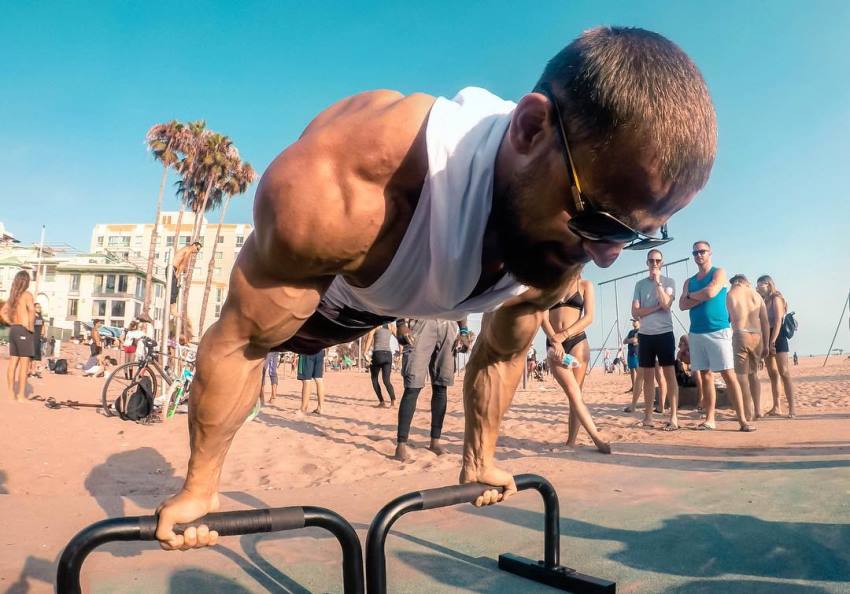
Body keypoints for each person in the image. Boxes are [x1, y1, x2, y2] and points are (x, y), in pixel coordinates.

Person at [154, 27, 718, 549]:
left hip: (415, 288)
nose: (606, 255)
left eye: (637, 236)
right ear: (529, 129)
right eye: (600, 221)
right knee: (267, 330)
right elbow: (239, 342)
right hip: (332, 299)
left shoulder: (564, 236)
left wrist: (479, 459)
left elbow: (502, 349)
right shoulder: (344, 184)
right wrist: (200, 487)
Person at [680, 242, 753, 431]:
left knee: (728, 374)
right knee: (705, 376)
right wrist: (698, 296)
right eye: (695, 252)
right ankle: (709, 419)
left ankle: (742, 420)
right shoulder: (689, 281)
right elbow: (681, 304)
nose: (699, 255)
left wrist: (691, 297)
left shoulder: (718, 272)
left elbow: (711, 291)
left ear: (709, 252)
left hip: (718, 330)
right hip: (696, 332)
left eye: (702, 251)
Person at [542, 276, 610, 453]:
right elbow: (542, 317)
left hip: (577, 340)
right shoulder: (549, 284)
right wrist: (555, 340)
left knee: (576, 394)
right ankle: (597, 438)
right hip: (554, 344)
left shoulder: (586, 285)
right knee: (572, 392)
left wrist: (564, 335)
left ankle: (571, 443)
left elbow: (589, 317)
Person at [394, 318, 466, 461]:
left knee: (441, 386)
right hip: (421, 321)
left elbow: (460, 297)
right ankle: (401, 444)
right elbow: (399, 295)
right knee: (412, 386)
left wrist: (463, 331)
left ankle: (435, 442)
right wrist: (400, 323)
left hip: (448, 322)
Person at [630, 249, 679, 429]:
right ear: (647, 263)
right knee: (648, 377)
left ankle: (673, 416)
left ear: (662, 263)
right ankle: (648, 417)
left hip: (665, 334)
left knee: (669, 375)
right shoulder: (640, 285)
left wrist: (658, 283)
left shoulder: (669, 282)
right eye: (651, 261)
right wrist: (655, 308)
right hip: (646, 335)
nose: (654, 264)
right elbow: (635, 312)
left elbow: (666, 304)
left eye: (657, 261)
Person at [726, 274, 769, 421]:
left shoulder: (731, 294)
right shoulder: (757, 296)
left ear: (737, 282)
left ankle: (747, 412)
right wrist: (767, 343)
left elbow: (728, 317)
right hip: (757, 335)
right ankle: (758, 410)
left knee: (741, 376)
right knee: (753, 374)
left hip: (741, 333)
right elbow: (765, 322)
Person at [756, 275, 796, 418]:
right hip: (766, 335)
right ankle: (777, 406)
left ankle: (792, 409)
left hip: (778, 336)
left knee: (784, 372)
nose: (758, 286)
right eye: (758, 284)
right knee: (772, 374)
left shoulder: (776, 298)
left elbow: (778, 320)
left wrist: (772, 341)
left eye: (761, 284)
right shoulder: (763, 301)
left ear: (768, 284)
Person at [2, 271, 35, 401]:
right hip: (23, 330)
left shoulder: (13, 297)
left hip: (14, 330)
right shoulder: (27, 295)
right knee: (24, 364)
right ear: (26, 281)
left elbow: (2, 312)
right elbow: (32, 310)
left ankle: (10, 393)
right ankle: (21, 395)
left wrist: (11, 323)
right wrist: (30, 327)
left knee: (12, 363)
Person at [363, 323, 397, 407]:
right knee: (386, 381)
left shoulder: (376, 325)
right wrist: (400, 351)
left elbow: (369, 338)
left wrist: (365, 352)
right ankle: (393, 401)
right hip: (388, 355)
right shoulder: (391, 326)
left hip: (378, 354)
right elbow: (399, 338)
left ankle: (382, 402)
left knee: (374, 379)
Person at [297, 350, 326, 415]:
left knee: (306, 380)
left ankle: (303, 409)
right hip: (320, 350)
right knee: (319, 379)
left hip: (307, 350)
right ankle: (320, 407)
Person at [623, 319, 641, 395]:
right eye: (633, 321)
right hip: (630, 352)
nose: (633, 322)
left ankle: (639, 387)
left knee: (638, 371)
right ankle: (633, 387)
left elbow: (635, 341)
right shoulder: (631, 332)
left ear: (639, 321)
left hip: (636, 353)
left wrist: (629, 340)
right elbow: (624, 341)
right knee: (632, 371)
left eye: (635, 321)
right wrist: (631, 340)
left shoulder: (640, 330)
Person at [30, 303, 45, 378]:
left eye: (40, 307)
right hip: (32, 337)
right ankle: (30, 371)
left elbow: (43, 325)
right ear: (34, 308)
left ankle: (34, 371)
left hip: (38, 338)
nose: (39, 308)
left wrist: (43, 334)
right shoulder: (32, 316)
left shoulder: (40, 317)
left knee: (36, 356)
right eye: (37, 307)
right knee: (31, 355)